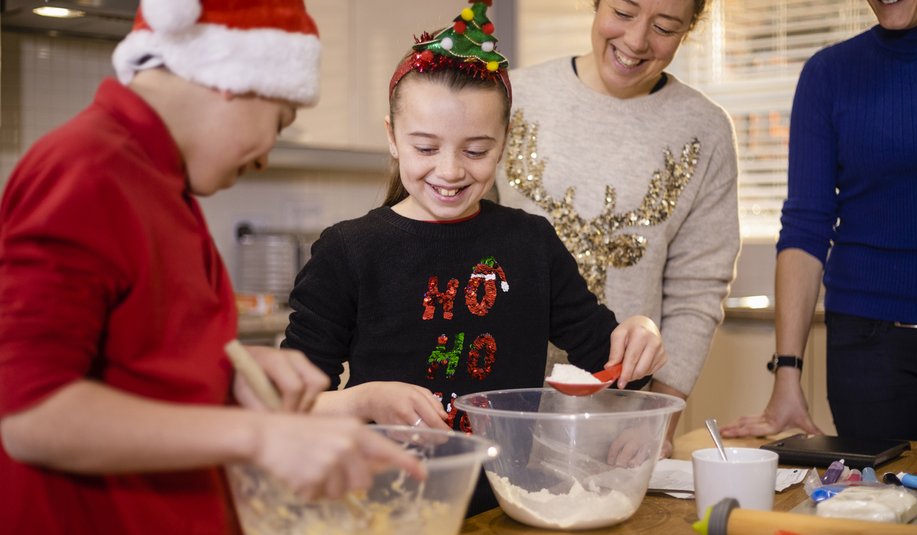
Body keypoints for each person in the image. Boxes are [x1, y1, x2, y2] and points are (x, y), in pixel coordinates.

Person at [0, 1, 424, 533]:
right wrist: (259, 436)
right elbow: (34, 417)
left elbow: (134, 362)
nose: (266, 156)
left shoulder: (160, 180)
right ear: (235, 77)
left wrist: (229, 371)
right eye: (279, 121)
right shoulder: (86, 171)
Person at [282, 0, 667, 517]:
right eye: (425, 147)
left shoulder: (530, 244)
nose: (450, 170)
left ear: (505, 142)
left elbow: (611, 365)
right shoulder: (349, 250)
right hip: (382, 512)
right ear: (393, 139)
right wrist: (362, 400)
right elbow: (288, 409)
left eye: (476, 150)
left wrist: (641, 333)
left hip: (506, 509)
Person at [494, 0, 740, 456]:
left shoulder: (705, 129)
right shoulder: (514, 96)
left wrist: (660, 417)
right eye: (623, 14)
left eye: (665, 27)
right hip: (504, 408)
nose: (636, 41)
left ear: (689, 29)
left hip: (621, 421)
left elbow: (697, 289)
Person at [722, 0, 917, 442]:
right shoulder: (830, 74)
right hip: (869, 351)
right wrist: (786, 373)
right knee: (880, 507)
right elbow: (806, 226)